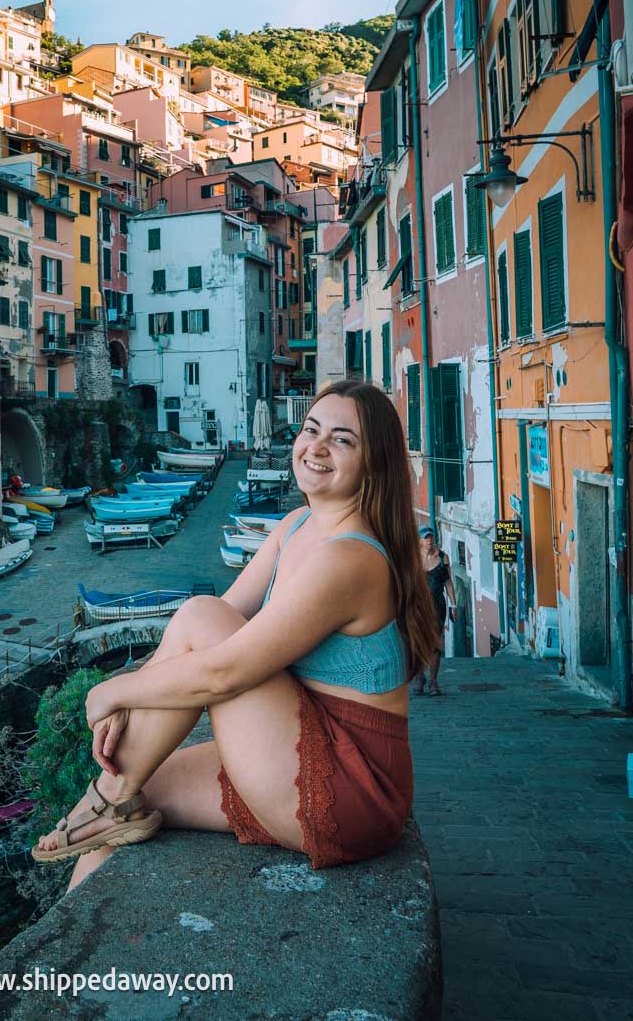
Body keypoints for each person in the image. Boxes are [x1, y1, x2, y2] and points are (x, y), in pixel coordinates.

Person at [31, 380, 440, 888]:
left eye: (342, 440)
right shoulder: (295, 525)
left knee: (201, 618)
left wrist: (110, 690)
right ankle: (77, 943)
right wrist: (140, 690)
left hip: (351, 784)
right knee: (125, 812)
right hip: (291, 733)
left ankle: (97, 801)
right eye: (311, 429)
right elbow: (214, 621)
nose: (315, 447)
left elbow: (223, 668)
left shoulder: (350, 558)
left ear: (373, 462)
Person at [414, 527, 456, 696]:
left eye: (431, 537)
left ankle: (433, 681)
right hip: (416, 607)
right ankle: (419, 676)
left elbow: (448, 583)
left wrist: (454, 605)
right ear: (420, 541)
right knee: (417, 642)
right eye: (426, 538)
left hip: (437, 606)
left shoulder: (442, 557)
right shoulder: (413, 559)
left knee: (435, 644)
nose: (429, 540)